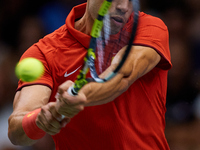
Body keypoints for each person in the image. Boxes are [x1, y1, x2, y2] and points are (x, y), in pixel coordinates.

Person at [8, 0, 172, 149]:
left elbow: (122, 74)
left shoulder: (150, 27)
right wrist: (40, 119)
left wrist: (78, 96)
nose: (123, 6)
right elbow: (16, 130)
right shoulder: (43, 53)